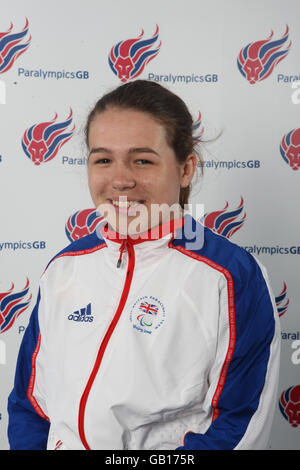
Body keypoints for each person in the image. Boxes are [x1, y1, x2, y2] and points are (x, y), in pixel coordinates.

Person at [7, 80, 280, 450]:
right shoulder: (65, 267)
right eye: (103, 159)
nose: (120, 180)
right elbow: (30, 405)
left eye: (142, 160)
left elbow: (239, 426)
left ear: (185, 170)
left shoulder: (230, 276)